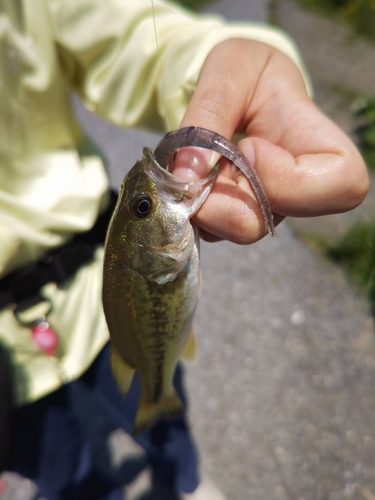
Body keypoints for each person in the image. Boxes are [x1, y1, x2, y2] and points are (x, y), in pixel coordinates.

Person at [0, 1, 369, 499]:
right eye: (145, 205)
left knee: (166, 424)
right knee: (62, 469)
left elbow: (131, 36)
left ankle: (186, 482)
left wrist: (226, 64)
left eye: (143, 206)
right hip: (14, 372)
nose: (153, 185)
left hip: (94, 307)